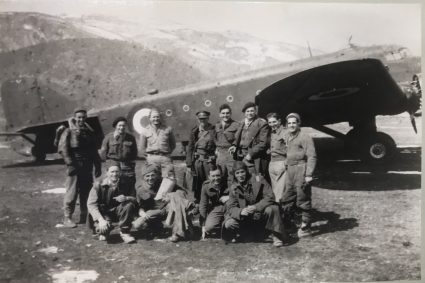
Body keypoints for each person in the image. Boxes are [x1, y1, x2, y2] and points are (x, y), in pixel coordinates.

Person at [223, 161, 287, 247]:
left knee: (272, 208)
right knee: (229, 223)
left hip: (261, 215)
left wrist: (256, 207)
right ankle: (246, 234)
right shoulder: (233, 187)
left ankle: (276, 235)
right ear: (234, 175)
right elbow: (231, 207)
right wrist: (241, 211)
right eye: (237, 173)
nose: (240, 175)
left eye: (242, 172)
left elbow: (270, 196)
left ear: (247, 171)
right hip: (246, 218)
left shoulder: (258, 179)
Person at [58, 108, 101, 228]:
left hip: (87, 166)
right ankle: (67, 218)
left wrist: (97, 164)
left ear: (86, 118)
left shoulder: (88, 132)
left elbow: (93, 149)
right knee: (71, 192)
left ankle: (84, 216)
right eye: (79, 117)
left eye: (83, 117)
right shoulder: (68, 131)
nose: (81, 120)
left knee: (86, 192)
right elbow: (63, 149)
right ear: (75, 118)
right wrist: (70, 164)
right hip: (75, 166)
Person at [133, 164, 195, 242]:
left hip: (167, 209)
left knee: (177, 203)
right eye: (147, 176)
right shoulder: (141, 189)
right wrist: (143, 214)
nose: (150, 178)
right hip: (152, 213)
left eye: (153, 175)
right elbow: (139, 206)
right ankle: (156, 227)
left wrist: (171, 196)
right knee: (138, 224)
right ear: (143, 177)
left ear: (156, 175)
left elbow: (182, 191)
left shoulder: (163, 182)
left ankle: (177, 233)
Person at [281, 113, 317, 238]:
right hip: (290, 170)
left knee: (303, 198)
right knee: (287, 198)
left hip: (301, 169)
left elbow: (312, 156)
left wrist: (309, 174)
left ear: (298, 123)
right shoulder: (287, 136)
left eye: (294, 122)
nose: (291, 125)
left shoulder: (304, 137)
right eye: (289, 123)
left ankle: (306, 228)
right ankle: (290, 225)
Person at [87, 163, 137, 243]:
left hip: (118, 211)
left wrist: (126, 198)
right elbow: (91, 204)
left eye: (117, 171)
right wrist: (101, 220)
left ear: (120, 172)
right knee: (102, 232)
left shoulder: (127, 182)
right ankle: (103, 231)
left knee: (129, 205)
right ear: (107, 173)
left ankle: (125, 232)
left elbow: (135, 199)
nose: (115, 174)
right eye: (112, 172)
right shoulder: (98, 184)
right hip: (103, 212)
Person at [229, 102, 269, 178]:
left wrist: (251, 154)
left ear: (255, 111)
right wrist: (234, 145)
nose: (250, 113)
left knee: (255, 178)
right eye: (247, 111)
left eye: (252, 111)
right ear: (244, 113)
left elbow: (262, 143)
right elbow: (238, 137)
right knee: (242, 178)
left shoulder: (261, 123)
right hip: (240, 155)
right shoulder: (242, 123)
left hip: (253, 157)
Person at [99, 117, 138, 194]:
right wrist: (109, 164)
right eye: (119, 125)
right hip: (113, 163)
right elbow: (103, 153)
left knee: (130, 183)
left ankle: (129, 201)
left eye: (124, 125)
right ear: (115, 126)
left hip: (127, 164)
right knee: (113, 184)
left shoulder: (130, 138)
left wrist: (130, 163)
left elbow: (134, 153)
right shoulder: (109, 137)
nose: (122, 127)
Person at [186, 110, 216, 203]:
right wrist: (189, 163)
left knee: (211, 181)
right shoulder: (194, 131)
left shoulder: (213, 130)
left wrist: (214, 156)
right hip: (198, 161)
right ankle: (198, 202)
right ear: (197, 119)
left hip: (209, 160)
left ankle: (212, 200)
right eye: (200, 119)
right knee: (198, 182)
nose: (202, 120)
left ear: (208, 118)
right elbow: (190, 147)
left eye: (204, 118)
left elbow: (218, 144)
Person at [139, 109, 176, 179]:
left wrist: (166, 154)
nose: (156, 119)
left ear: (160, 118)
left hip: (165, 158)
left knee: (168, 180)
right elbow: (142, 148)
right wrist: (149, 157)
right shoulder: (145, 131)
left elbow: (173, 144)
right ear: (149, 118)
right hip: (152, 159)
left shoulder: (168, 129)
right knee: (153, 180)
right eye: (153, 117)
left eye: (157, 117)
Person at [199, 167, 229, 239]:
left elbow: (238, 194)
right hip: (216, 208)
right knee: (208, 228)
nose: (216, 178)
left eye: (218, 175)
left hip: (229, 206)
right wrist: (203, 224)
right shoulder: (206, 186)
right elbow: (203, 204)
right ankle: (220, 223)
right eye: (213, 176)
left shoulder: (228, 183)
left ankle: (226, 225)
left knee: (229, 225)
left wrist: (229, 197)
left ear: (221, 175)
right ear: (209, 177)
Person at [214, 104, 240, 187]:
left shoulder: (236, 125)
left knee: (231, 176)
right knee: (220, 176)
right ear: (220, 114)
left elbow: (239, 139)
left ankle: (232, 196)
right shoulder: (217, 126)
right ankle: (221, 196)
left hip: (230, 154)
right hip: (220, 154)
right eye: (223, 113)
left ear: (231, 113)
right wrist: (216, 148)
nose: (225, 115)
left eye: (227, 113)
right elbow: (214, 138)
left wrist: (235, 146)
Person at [267, 113, 287, 203]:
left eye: (274, 122)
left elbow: (290, 148)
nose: (272, 124)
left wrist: (286, 162)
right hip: (272, 163)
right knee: (275, 190)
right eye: (270, 122)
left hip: (281, 162)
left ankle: (281, 212)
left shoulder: (285, 132)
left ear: (279, 121)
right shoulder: (271, 133)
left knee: (280, 193)